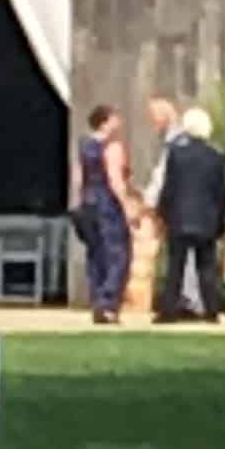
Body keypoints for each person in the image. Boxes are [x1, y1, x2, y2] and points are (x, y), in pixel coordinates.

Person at [154, 102, 225, 320]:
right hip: (207, 218)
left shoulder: (176, 154)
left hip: (179, 217)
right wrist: (222, 219)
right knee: (206, 266)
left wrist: (162, 213)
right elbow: (221, 191)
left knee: (175, 267)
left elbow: (169, 187)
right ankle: (211, 310)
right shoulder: (216, 157)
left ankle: (168, 311)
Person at [72, 101, 137, 325]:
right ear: (104, 122)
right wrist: (128, 206)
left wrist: (79, 202)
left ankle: (97, 298)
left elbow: (78, 176)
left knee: (96, 253)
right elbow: (115, 179)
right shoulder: (112, 147)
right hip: (107, 202)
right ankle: (108, 303)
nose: (119, 122)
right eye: (114, 118)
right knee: (118, 254)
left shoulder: (83, 144)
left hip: (88, 202)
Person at [133, 90, 179, 321]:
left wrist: (149, 203)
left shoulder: (174, 141)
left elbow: (163, 175)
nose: (153, 121)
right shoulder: (168, 140)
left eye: (155, 116)